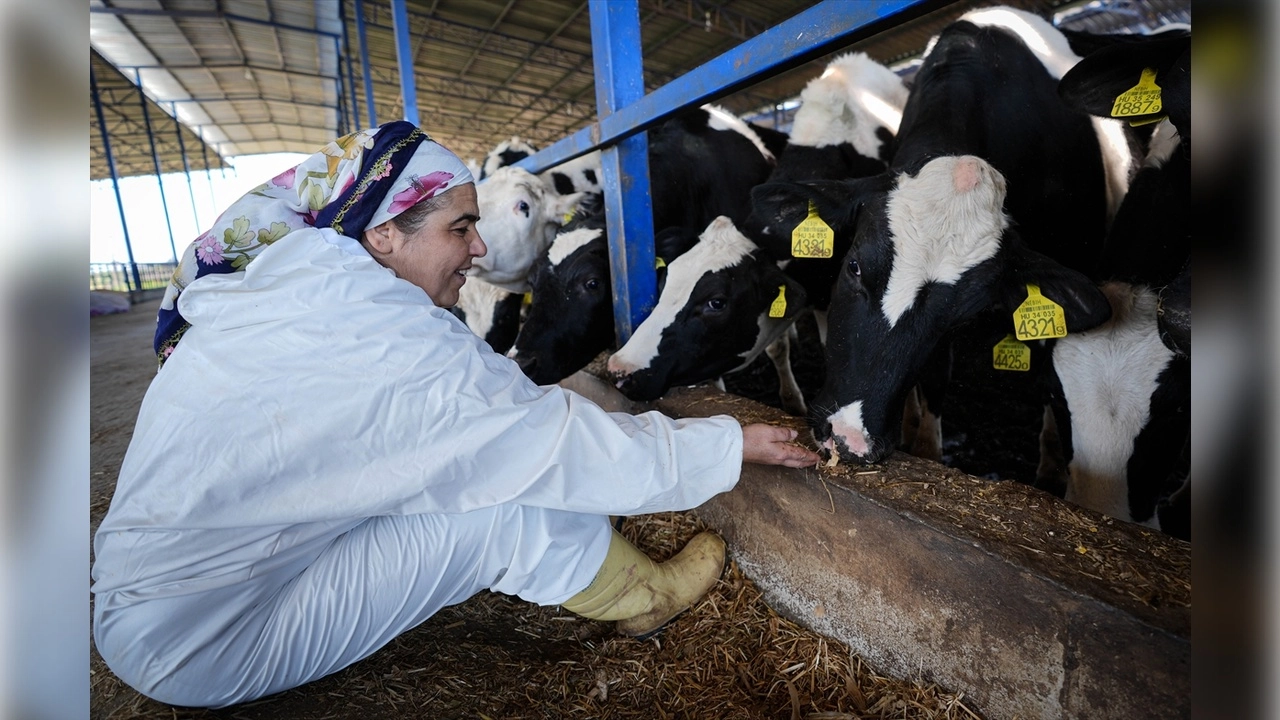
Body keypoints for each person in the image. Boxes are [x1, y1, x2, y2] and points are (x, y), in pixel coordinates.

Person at [91, 121, 818, 709]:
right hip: (200, 641)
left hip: (162, 592)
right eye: (459, 228)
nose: (479, 248)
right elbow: (550, 446)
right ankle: (648, 596)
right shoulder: (389, 334)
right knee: (500, 507)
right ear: (383, 236)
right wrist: (727, 444)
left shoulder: (291, 286)